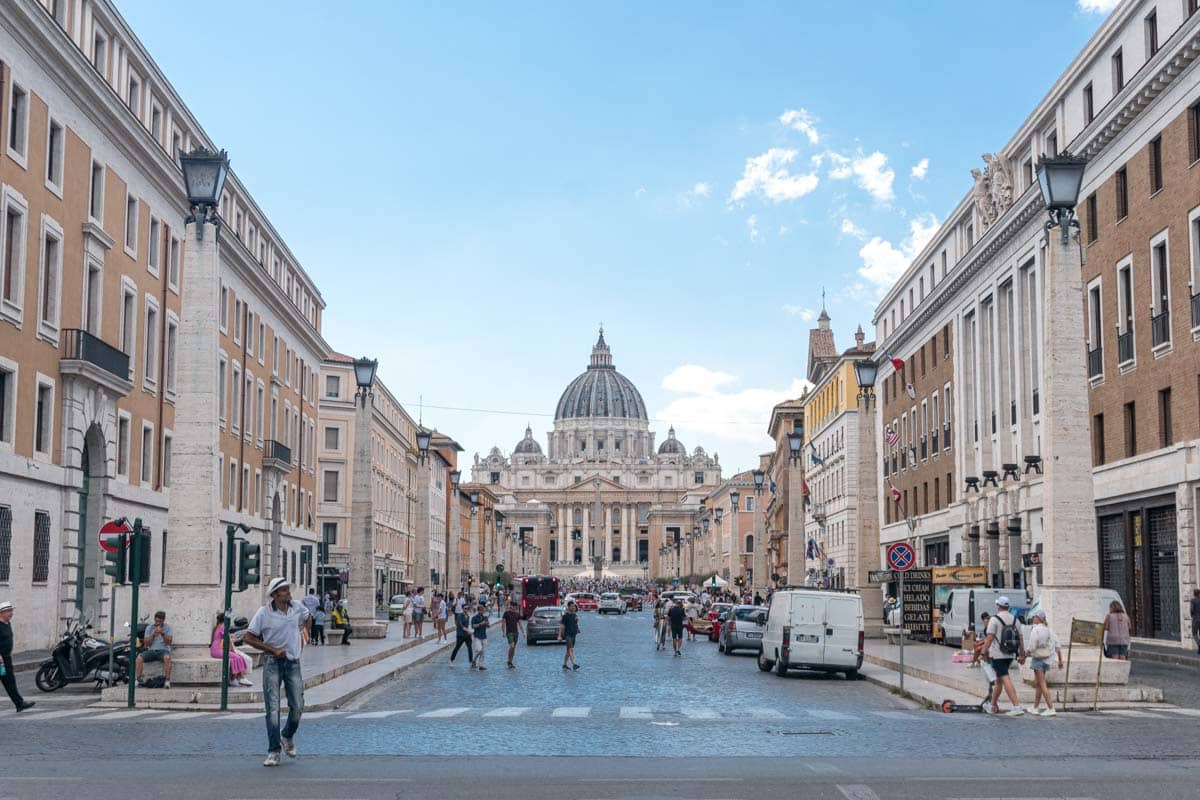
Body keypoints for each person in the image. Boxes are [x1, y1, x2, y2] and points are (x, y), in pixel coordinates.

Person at [244, 577, 312, 767]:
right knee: (272, 708)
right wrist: (272, 650)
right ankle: (273, 751)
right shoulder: (263, 613)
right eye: (283, 590)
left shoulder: (297, 607)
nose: (288, 592)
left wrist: (305, 636)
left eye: (287, 589)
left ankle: (287, 735)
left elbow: (308, 617)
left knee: (298, 705)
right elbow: (248, 637)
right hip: (273, 662)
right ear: (274, 595)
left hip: (292, 662)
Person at [976, 596, 1026, 716]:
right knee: (999, 682)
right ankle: (992, 705)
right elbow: (1020, 639)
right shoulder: (1015, 619)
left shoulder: (994, 619)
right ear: (1008, 606)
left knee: (1005, 677)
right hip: (1010, 654)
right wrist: (1022, 654)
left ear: (998, 605)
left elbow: (989, 638)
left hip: (998, 654)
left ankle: (1016, 706)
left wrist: (982, 652)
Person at [1026, 609, 1063, 717]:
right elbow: (1058, 645)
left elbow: (1032, 646)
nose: (1033, 618)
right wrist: (1060, 660)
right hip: (1047, 659)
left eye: (1034, 617)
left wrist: (1025, 654)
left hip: (1038, 659)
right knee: (1038, 684)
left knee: (1042, 684)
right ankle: (1035, 707)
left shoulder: (1036, 629)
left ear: (1038, 618)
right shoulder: (1049, 630)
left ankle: (1051, 708)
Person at [0, 600, 34, 712]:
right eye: (8, 611)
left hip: (6, 659)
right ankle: (19, 703)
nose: (11, 613)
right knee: (8, 681)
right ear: (2, 612)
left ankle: (19, 704)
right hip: (0, 659)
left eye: (11, 611)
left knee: (10, 681)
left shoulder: (7, 623)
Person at [210, 612, 253, 686]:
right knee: (237, 657)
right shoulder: (223, 626)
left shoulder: (217, 626)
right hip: (217, 650)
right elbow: (228, 640)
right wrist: (232, 650)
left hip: (215, 649)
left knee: (236, 658)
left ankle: (238, 678)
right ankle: (238, 678)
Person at [137, 611, 173, 688]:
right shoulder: (149, 628)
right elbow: (146, 644)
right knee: (139, 658)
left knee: (167, 658)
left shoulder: (167, 628)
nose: (157, 623)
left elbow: (169, 642)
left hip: (163, 650)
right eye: (156, 621)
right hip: (151, 651)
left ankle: (167, 680)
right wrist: (153, 635)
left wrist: (162, 633)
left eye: (160, 621)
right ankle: (138, 679)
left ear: (163, 620)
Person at [559, 600, 580, 671]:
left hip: (573, 634)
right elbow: (561, 626)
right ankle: (574, 664)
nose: (573, 607)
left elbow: (575, 624)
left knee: (568, 651)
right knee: (570, 650)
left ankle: (564, 665)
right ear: (568, 607)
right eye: (572, 606)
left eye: (574, 606)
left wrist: (577, 627)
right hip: (567, 635)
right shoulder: (565, 616)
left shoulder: (574, 615)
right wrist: (559, 635)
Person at [502, 600, 523, 668]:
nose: (515, 608)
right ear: (511, 606)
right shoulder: (506, 613)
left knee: (514, 648)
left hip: (516, 632)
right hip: (509, 632)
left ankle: (510, 661)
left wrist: (523, 632)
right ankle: (508, 660)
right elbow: (503, 623)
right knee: (512, 646)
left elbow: (520, 623)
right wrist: (503, 632)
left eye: (515, 607)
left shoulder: (517, 614)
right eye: (514, 606)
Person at [471, 604, 490, 670]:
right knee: (479, 650)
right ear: (478, 610)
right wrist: (481, 624)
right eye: (482, 610)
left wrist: (487, 624)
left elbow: (488, 626)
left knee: (483, 651)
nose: (483, 612)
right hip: (477, 636)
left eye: (483, 610)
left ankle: (481, 665)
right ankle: (473, 660)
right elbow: (473, 626)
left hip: (484, 636)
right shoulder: (474, 618)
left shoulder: (485, 618)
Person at [1191, 589, 1200, 654]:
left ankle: (1199, 645)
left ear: (1194, 594)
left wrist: (1192, 615)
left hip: (1196, 619)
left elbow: (1191, 609)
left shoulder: (1193, 600)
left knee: (1194, 633)